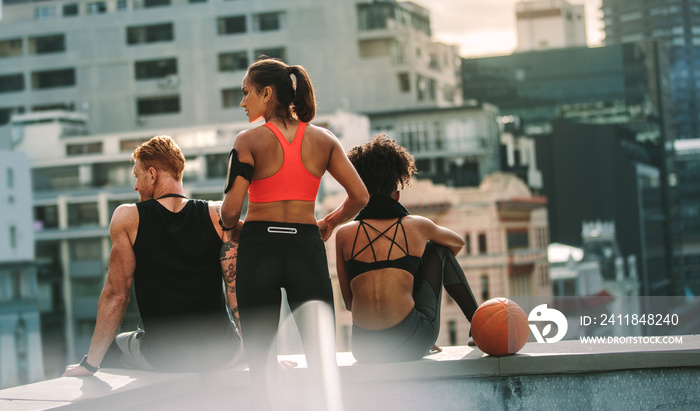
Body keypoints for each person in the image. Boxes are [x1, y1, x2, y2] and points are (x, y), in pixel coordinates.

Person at [219, 57, 368, 407]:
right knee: (321, 361)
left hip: (259, 247)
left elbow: (228, 211)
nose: (242, 102)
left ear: (267, 93)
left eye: (246, 93)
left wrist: (234, 227)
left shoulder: (248, 141)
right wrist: (330, 222)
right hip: (305, 246)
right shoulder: (324, 139)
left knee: (261, 362)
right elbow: (360, 196)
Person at [62, 136, 242, 376]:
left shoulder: (128, 219)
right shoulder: (217, 215)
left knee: (112, 350)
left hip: (165, 358)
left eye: (136, 175)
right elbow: (236, 291)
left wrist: (89, 365)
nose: (135, 186)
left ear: (152, 174)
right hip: (222, 353)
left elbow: (116, 296)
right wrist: (262, 354)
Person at [335, 135, 479, 363]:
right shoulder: (418, 226)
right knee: (438, 249)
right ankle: (478, 327)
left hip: (364, 349)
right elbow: (456, 242)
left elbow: (350, 303)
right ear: (397, 194)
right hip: (411, 341)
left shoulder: (343, 234)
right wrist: (415, 272)